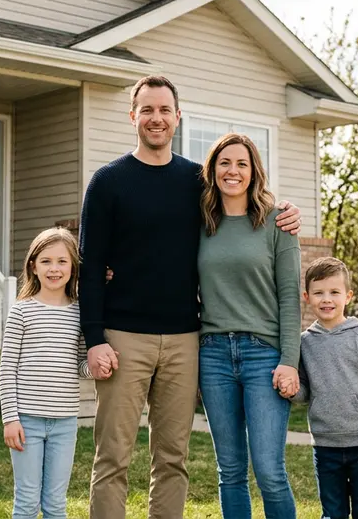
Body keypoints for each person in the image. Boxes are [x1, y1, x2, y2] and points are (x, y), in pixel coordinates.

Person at [78, 75, 301, 519]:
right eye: (147, 110)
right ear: (133, 116)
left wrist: (287, 212)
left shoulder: (195, 182)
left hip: (186, 339)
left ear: (177, 117)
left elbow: (242, 204)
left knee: (173, 459)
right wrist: (94, 339)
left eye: (164, 110)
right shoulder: (107, 182)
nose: (156, 118)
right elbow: (89, 266)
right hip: (124, 337)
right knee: (112, 459)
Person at [197, 132, 301, 518]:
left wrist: (290, 359)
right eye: (225, 163)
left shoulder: (278, 223)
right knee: (231, 472)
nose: (233, 171)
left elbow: (290, 296)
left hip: (264, 356)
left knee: (270, 471)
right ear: (213, 170)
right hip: (213, 356)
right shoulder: (201, 222)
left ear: (254, 171)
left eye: (242, 163)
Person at [288, 256, 358, 519]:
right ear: (306, 296)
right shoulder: (305, 343)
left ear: (348, 296)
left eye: (334, 292)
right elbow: (305, 393)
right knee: (332, 514)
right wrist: (289, 388)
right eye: (318, 292)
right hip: (325, 446)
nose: (326, 299)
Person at [0, 228, 91, 519]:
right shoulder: (22, 311)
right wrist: (10, 419)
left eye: (62, 261)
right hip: (26, 421)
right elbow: (7, 369)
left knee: (55, 503)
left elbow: (79, 364)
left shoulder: (79, 312)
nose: (54, 268)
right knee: (26, 502)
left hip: (65, 421)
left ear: (73, 267)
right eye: (46, 261)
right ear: (33, 267)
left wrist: (96, 367)